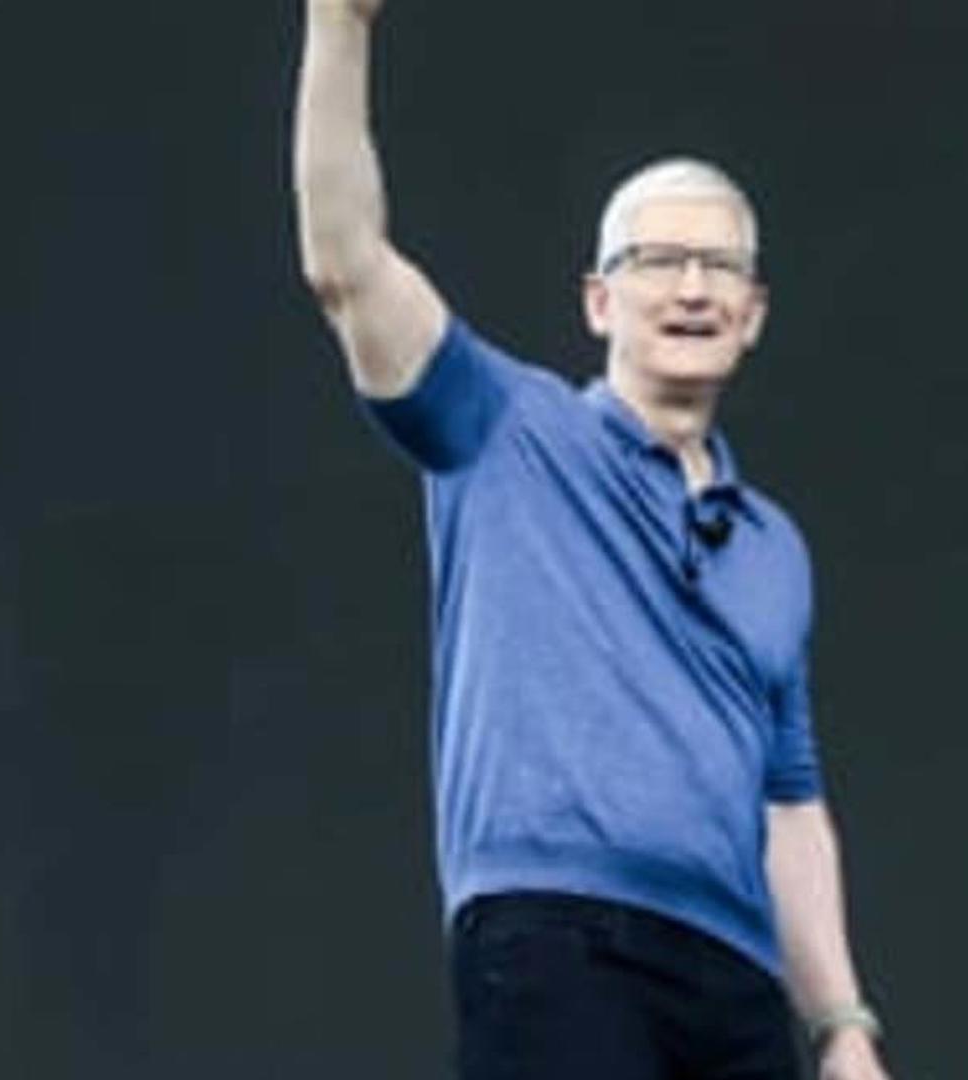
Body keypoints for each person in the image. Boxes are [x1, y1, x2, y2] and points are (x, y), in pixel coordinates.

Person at [293, 3, 894, 1078]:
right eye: (659, 260)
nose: (693, 288)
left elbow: (789, 804)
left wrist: (842, 1025)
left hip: (735, 982)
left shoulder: (773, 548)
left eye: (720, 267)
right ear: (598, 299)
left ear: (755, 312)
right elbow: (347, 267)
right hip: (555, 938)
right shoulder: (506, 429)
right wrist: (339, 25)